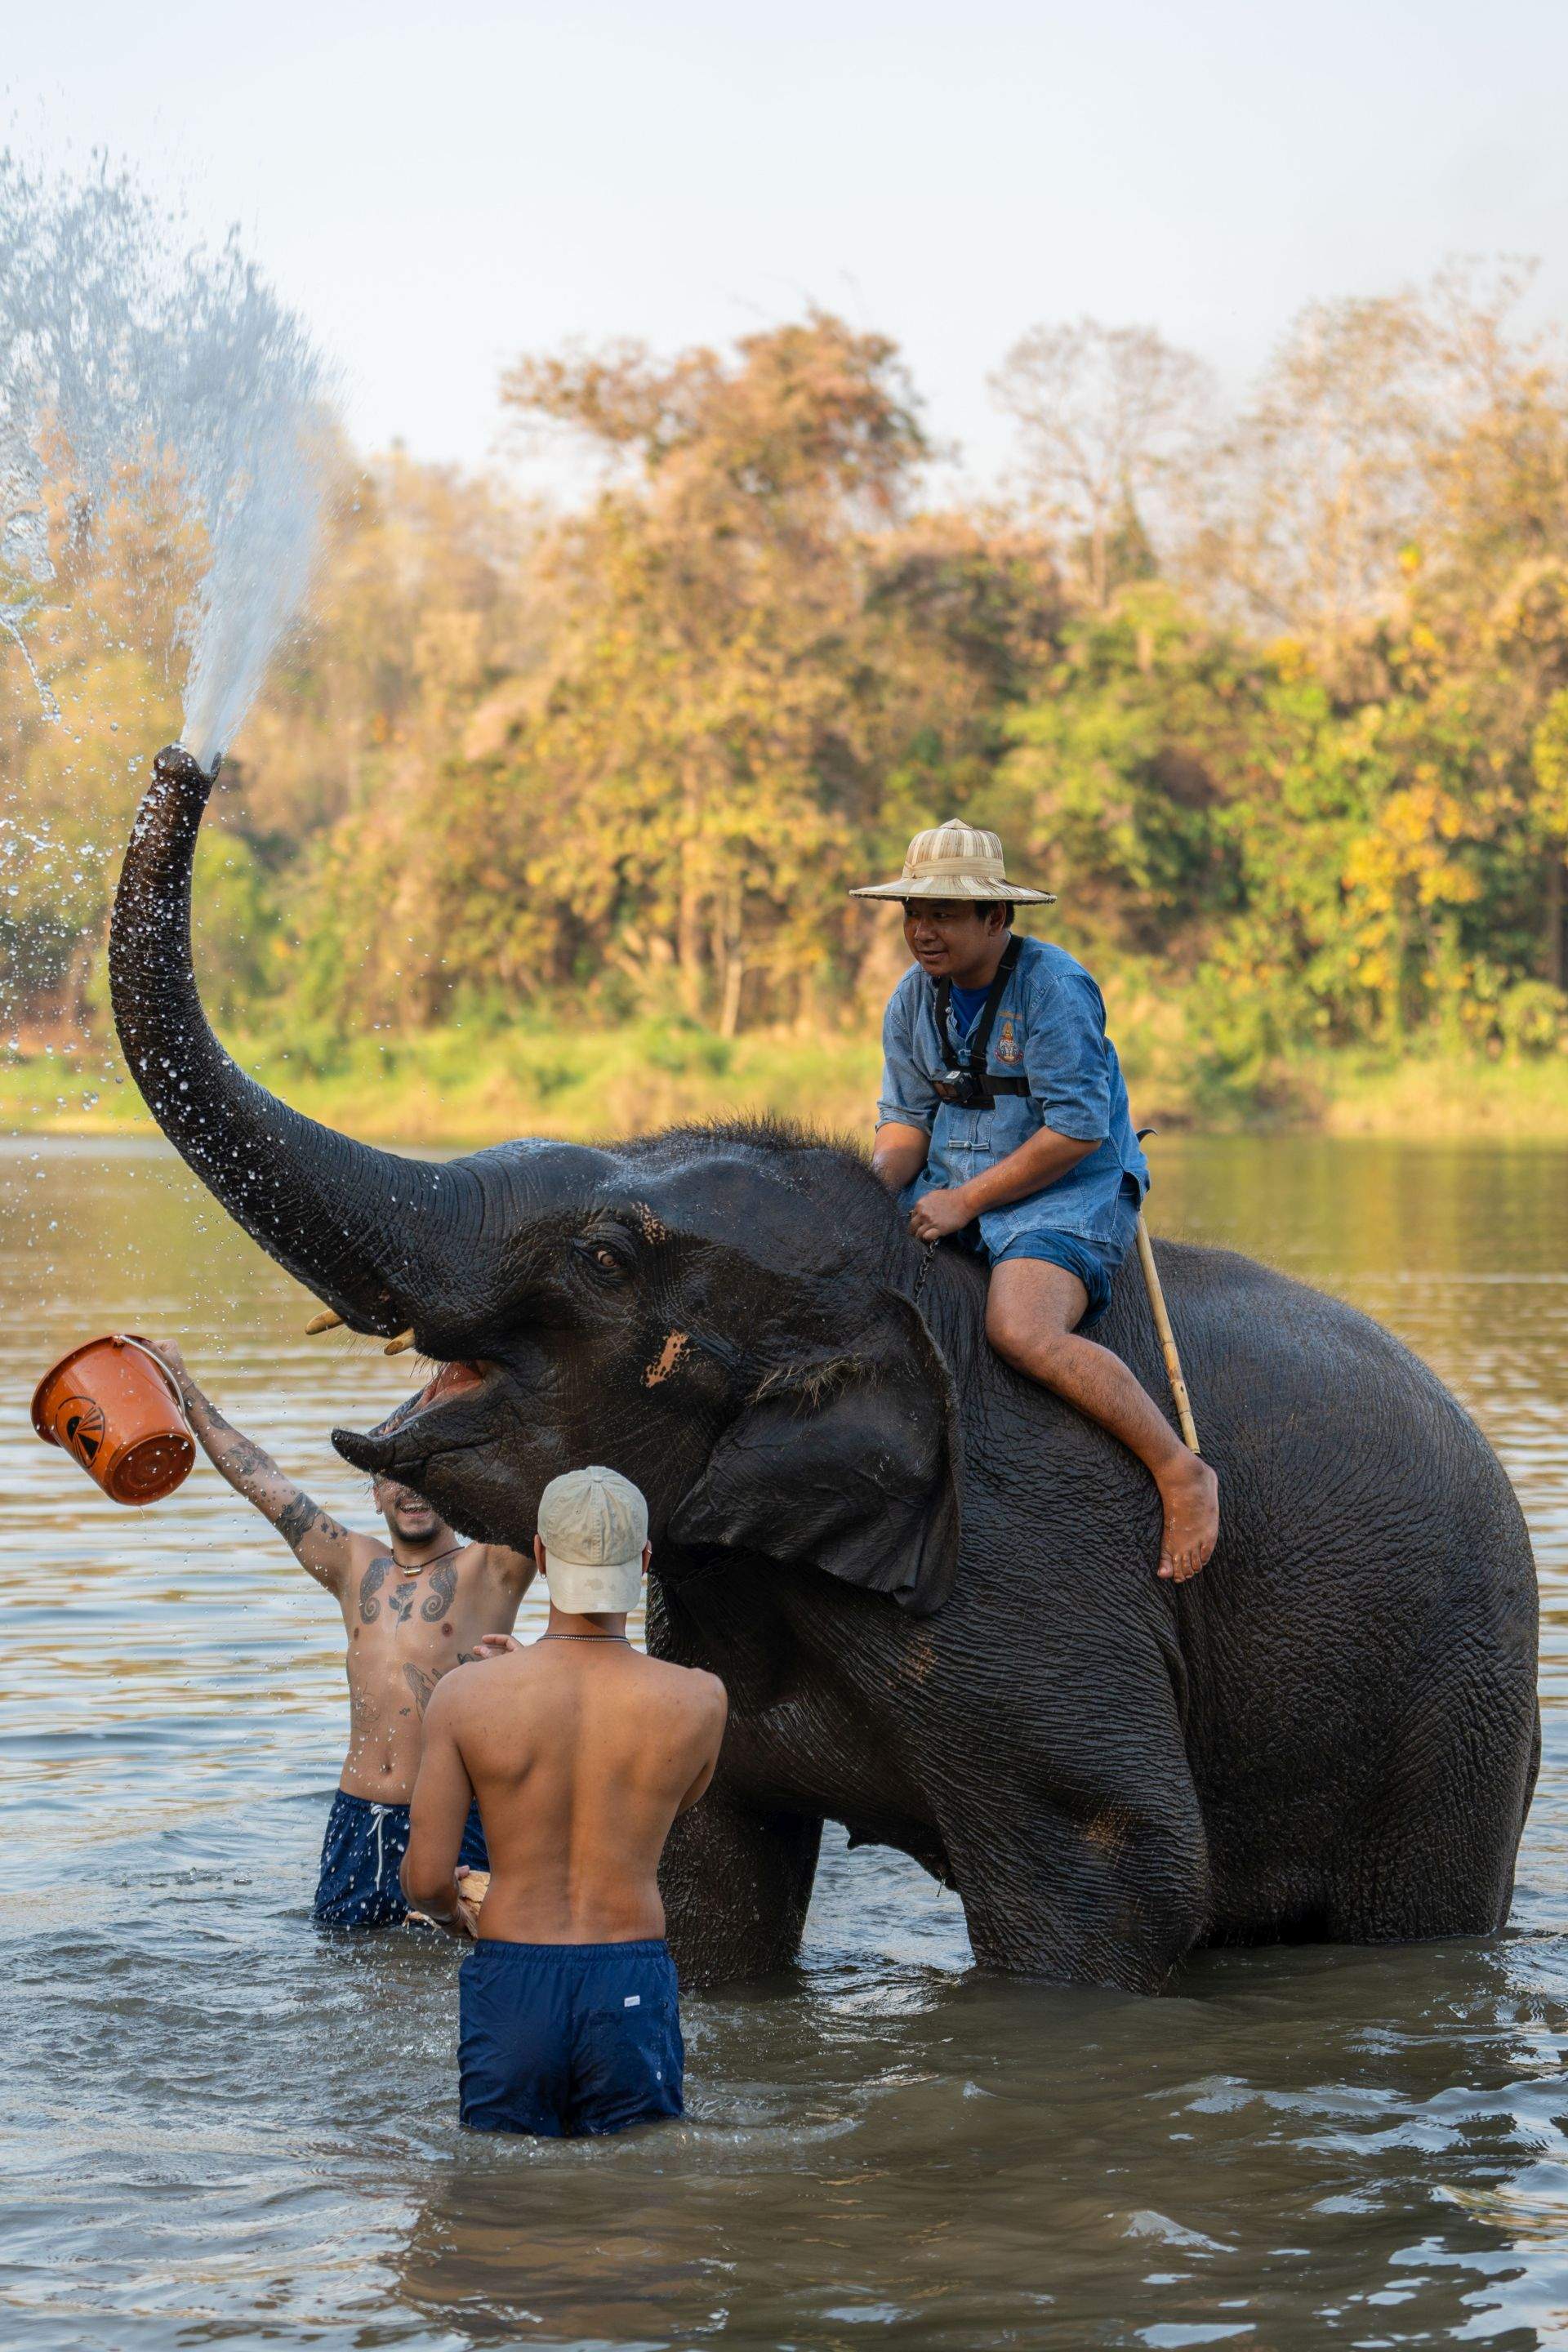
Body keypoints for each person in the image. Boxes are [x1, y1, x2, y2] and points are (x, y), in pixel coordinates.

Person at [851, 817, 1219, 1584]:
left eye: (945, 913)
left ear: (997, 917)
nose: (923, 931)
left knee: (1019, 1329)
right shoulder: (911, 1001)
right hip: (950, 1181)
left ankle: (1178, 1468)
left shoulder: (1053, 988)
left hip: (1064, 1193)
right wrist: (867, 1196)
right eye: (914, 913)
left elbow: (1078, 1132)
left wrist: (965, 1204)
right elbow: (904, 1124)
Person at [146, 1342, 537, 1928]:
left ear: (455, 1482)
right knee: (342, 1968)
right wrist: (183, 1386)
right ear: (375, 1490)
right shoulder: (354, 1564)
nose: (411, 1489)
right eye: (395, 1475)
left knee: (447, 1980)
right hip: (356, 1818)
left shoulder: (493, 1566)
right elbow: (263, 1482)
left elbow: (549, 1487)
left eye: (426, 1471)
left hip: (451, 1818)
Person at [401, 1465, 727, 2140]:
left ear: (542, 1555)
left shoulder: (468, 1697)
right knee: (638, 2192)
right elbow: (677, 1795)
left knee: (498, 2194)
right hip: (629, 1976)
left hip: (515, 1976)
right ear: (642, 1563)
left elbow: (426, 1882)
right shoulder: (700, 1700)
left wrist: (454, 1910)